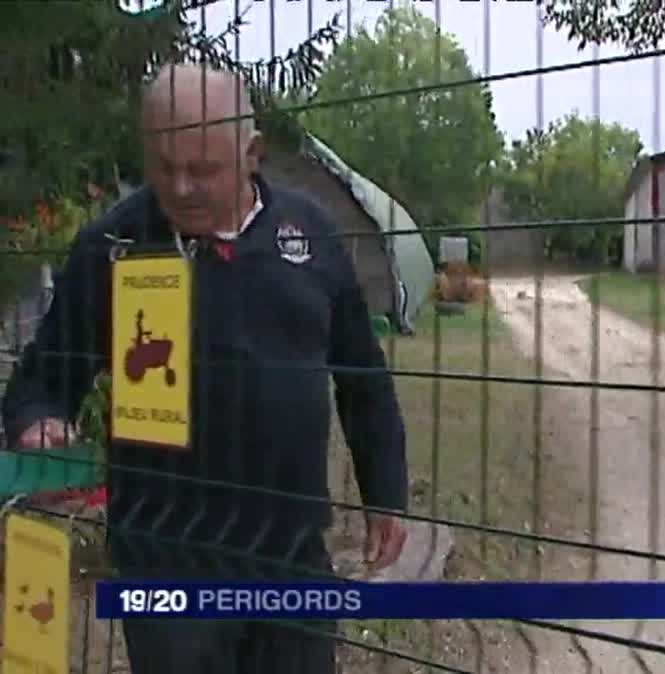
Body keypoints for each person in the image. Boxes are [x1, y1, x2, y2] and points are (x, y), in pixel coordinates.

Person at [1, 64, 409, 673]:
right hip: (168, 560)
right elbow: (40, 380)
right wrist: (40, 422)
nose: (182, 187)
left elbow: (362, 378)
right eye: (164, 167)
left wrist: (387, 493)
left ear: (251, 154)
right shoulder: (113, 246)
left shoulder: (310, 235)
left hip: (290, 553)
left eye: (203, 169)